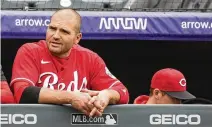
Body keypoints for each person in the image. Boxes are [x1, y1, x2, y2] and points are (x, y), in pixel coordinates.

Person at [10, 9, 129, 117]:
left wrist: (106, 95)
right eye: (52, 28)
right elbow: (23, 93)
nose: (55, 36)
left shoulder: (90, 58)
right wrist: (71, 97)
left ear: (77, 38)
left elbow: (123, 92)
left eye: (64, 32)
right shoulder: (30, 51)